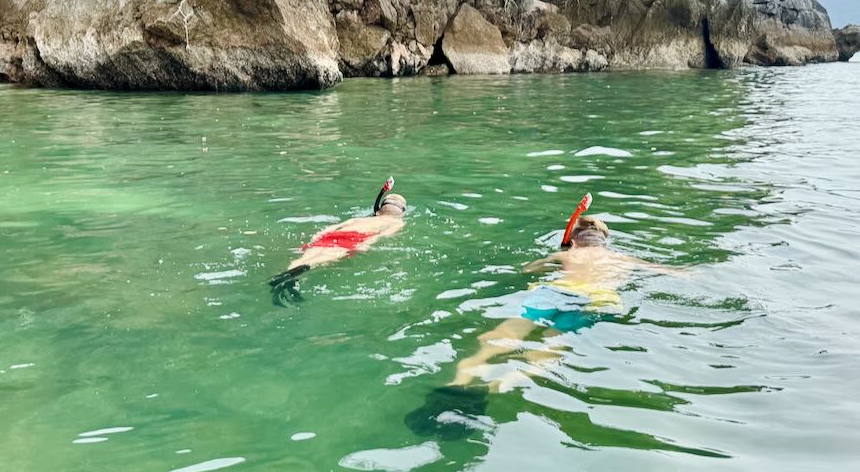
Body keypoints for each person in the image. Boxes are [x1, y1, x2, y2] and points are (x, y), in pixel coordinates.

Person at [407, 194, 677, 436]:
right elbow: (666, 271)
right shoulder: (622, 259)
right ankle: (498, 386)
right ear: (604, 240)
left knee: (503, 336)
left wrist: (557, 255)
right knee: (551, 345)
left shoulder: (567, 256)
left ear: (573, 239)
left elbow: (528, 269)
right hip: (594, 300)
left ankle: (459, 382)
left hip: (555, 291)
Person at [269, 177, 407, 305]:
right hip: (355, 238)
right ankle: (290, 280)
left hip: (335, 234)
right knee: (324, 258)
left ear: (380, 208)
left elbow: (334, 227)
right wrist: (364, 245)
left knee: (308, 256)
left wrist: (318, 235)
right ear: (401, 212)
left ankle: (286, 274)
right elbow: (381, 235)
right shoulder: (396, 223)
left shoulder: (363, 218)